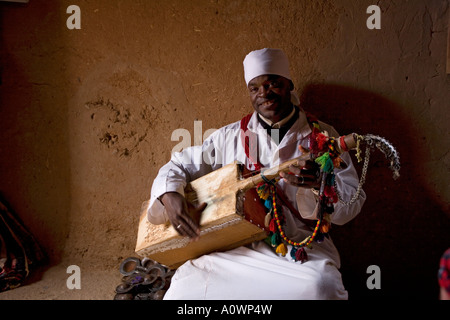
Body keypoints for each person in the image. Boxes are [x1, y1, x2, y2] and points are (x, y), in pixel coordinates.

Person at [146, 48, 366, 299]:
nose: (265, 94)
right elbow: (178, 165)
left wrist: (320, 186)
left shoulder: (324, 138)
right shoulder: (228, 137)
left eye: (273, 84)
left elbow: (353, 201)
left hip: (300, 248)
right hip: (236, 248)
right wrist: (169, 195)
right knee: (185, 288)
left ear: (289, 85)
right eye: (255, 88)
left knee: (320, 287)